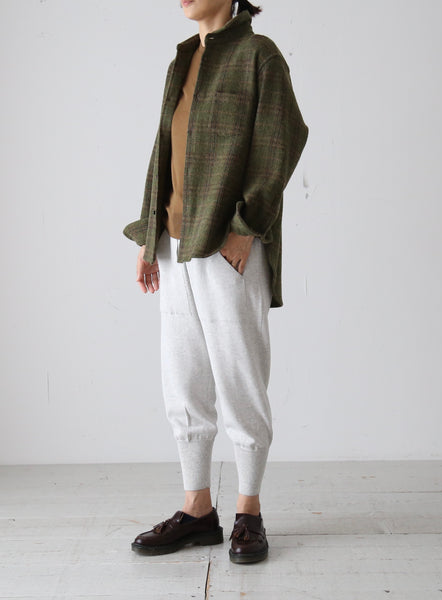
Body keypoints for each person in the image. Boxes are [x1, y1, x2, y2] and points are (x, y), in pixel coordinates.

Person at [123, 0, 309, 564]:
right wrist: (149, 233)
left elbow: (283, 140)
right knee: (183, 380)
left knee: (239, 376)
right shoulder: (183, 59)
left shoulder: (258, 55)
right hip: (175, 244)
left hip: (229, 244)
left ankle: (248, 512)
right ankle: (197, 510)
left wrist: (245, 230)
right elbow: (163, 152)